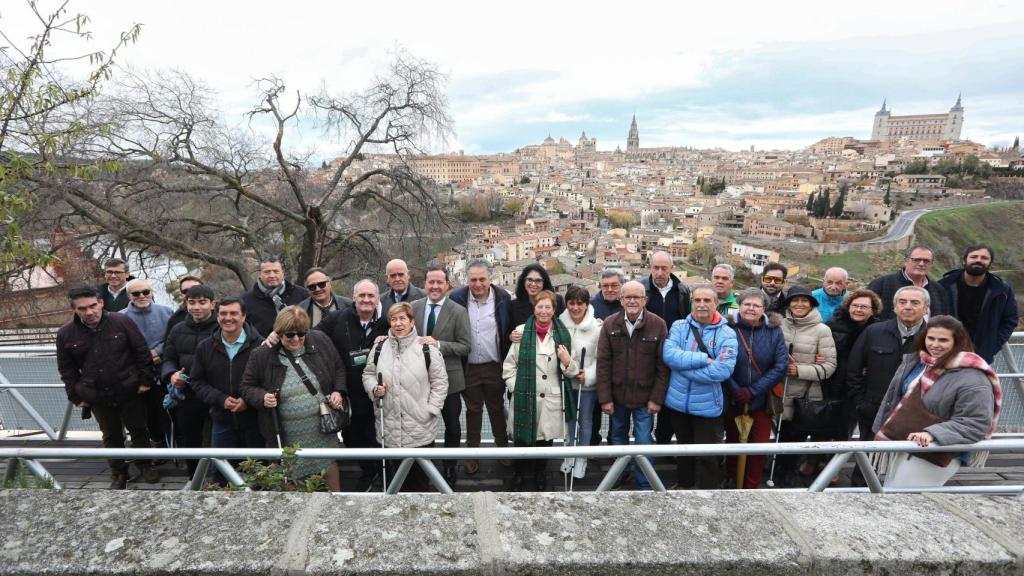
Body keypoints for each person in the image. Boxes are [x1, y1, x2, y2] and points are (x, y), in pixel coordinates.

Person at [873, 316, 1001, 488]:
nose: (935, 344)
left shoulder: (973, 376)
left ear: (958, 342)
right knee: (892, 496)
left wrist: (932, 434)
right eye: (931, 338)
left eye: (943, 340)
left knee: (905, 501)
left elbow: (976, 423)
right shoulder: (919, 362)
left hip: (937, 449)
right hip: (906, 443)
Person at [56, 287, 159, 489]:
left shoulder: (122, 322)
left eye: (93, 305)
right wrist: (76, 396)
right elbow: (66, 369)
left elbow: (141, 352)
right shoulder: (65, 334)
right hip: (96, 395)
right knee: (111, 435)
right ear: (74, 310)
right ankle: (119, 473)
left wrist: (145, 381)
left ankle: (146, 465)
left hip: (129, 389)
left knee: (139, 429)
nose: (89, 312)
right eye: (82, 308)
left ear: (101, 303)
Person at [240, 306, 347, 491]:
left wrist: (338, 390)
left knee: (329, 469)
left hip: (322, 429)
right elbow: (246, 387)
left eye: (301, 333)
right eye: (290, 335)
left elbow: (338, 367)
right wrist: (262, 397)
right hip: (287, 434)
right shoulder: (262, 354)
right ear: (279, 333)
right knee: (294, 481)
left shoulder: (320, 340)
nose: (296, 339)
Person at [363, 302, 448, 492]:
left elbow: (440, 383)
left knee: (420, 481)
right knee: (397, 482)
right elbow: (368, 374)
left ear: (412, 321)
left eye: (403, 318)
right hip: (390, 428)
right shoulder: (379, 348)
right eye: (393, 319)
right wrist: (374, 389)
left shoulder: (427, 350)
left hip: (420, 428)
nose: (398, 323)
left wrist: (430, 410)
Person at [316, 279, 390, 491]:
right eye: (362, 296)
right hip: (348, 391)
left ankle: (380, 475)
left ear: (377, 299)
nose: (366, 300)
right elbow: (312, 336)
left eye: (371, 296)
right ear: (354, 298)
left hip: (377, 392)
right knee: (352, 437)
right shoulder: (337, 319)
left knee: (376, 436)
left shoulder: (386, 322)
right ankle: (368, 472)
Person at [663, 284, 738, 489]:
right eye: (697, 300)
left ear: (716, 304)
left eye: (707, 300)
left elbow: (722, 371)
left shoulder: (727, 334)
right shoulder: (679, 326)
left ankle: (708, 491)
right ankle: (684, 486)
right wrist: (704, 359)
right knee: (683, 450)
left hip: (708, 407)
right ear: (691, 303)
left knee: (707, 455)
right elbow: (669, 355)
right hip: (678, 404)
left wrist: (682, 367)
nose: (702, 305)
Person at [504, 290, 580, 491]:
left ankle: (540, 473)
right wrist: (515, 387)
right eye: (540, 306)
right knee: (521, 440)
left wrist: (566, 361)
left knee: (545, 441)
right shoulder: (521, 331)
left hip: (551, 398)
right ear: (534, 308)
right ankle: (519, 473)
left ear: (554, 310)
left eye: (548, 307)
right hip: (524, 396)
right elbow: (509, 366)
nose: (544, 311)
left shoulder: (562, 334)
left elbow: (572, 371)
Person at [596, 281, 669, 490]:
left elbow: (662, 366)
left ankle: (646, 483)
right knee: (617, 437)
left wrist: (657, 398)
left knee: (644, 441)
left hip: (645, 399)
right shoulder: (610, 324)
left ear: (644, 300)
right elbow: (603, 363)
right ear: (621, 300)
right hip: (617, 397)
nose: (632, 301)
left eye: (637, 297)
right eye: (628, 297)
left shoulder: (658, 324)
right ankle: (619, 476)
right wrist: (605, 399)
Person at [189, 297, 266, 482]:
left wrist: (248, 401)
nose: (228, 318)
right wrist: (220, 399)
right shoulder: (205, 347)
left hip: (255, 421)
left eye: (233, 313)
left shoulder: (261, 345)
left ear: (244, 316)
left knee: (262, 473)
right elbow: (197, 381)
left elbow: (269, 381)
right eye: (223, 313)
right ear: (217, 316)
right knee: (220, 473)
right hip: (222, 419)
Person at [448, 260, 514, 475]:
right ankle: (472, 453)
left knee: (496, 409)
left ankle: (502, 449)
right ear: (467, 281)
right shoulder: (457, 297)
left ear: (490, 279)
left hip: (494, 365)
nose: (477, 284)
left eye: (482, 279)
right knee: (473, 411)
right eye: (473, 280)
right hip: (468, 367)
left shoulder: (504, 298)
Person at [410, 265, 471, 487]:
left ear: (447, 285)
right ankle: (422, 467)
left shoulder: (458, 311)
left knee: (452, 427)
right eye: (431, 282)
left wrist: (438, 344)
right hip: (418, 380)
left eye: (439, 282)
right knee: (421, 425)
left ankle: (449, 466)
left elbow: (465, 347)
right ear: (424, 284)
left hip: (450, 380)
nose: (435, 286)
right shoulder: (413, 308)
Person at [847, 286, 929, 447]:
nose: (907, 306)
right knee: (867, 459)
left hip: (913, 413)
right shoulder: (874, 331)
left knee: (903, 461)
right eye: (902, 302)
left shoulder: (934, 337)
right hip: (872, 409)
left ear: (926, 309)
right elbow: (853, 369)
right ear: (895, 306)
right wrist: (860, 403)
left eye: (915, 302)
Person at [725, 288, 788, 489]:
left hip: (762, 399)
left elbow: (780, 366)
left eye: (756, 305)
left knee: (758, 446)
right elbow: (719, 361)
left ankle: (751, 486)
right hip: (733, 396)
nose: (751, 308)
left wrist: (752, 391)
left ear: (764, 309)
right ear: (739, 306)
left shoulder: (774, 331)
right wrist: (735, 389)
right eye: (747, 304)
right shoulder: (728, 328)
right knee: (733, 442)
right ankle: (732, 480)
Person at [776, 285, 837, 484]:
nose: (799, 304)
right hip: (778, 393)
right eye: (795, 300)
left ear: (811, 305)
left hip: (803, 397)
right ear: (789, 303)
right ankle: (775, 470)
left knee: (794, 440)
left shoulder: (822, 330)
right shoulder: (779, 325)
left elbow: (829, 367)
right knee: (779, 436)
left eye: (805, 301)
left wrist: (800, 370)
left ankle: (788, 475)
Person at [160, 284, 219, 476]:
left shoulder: (223, 327)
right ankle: (194, 478)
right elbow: (168, 358)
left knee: (217, 440)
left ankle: (220, 480)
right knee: (190, 439)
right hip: (188, 395)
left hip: (216, 393)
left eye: (202, 302)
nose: (197, 307)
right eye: (192, 302)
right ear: (185, 304)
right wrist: (171, 374)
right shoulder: (177, 329)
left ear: (212, 304)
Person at [641, 250, 692, 447]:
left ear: (671, 269)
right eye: (656, 268)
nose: (659, 272)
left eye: (664, 268)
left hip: (673, 355)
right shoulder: (642, 289)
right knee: (645, 401)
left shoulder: (682, 291)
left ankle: (663, 443)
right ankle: (643, 445)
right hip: (645, 355)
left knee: (668, 402)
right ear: (650, 268)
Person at [938, 244, 1019, 363]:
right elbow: (932, 316)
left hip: (981, 356)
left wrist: (992, 345)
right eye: (974, 256)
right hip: (946, 353)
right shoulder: (943, 286)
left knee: (976, 382)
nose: (978, 260)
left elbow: (1010, 320)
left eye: (984, 258)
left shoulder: (1002, 290)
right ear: (964, 261)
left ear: (990, 263)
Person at [121, 278, 175, 448]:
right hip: (137, 374)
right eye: (136, 293)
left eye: (146, 292)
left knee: (167, 411)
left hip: (163, 370)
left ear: (151, 292)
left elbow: (173, 338)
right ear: (129, 296)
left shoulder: (166, 311)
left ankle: (172, 445)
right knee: (146, 414)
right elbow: (121, 346)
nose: (142, 296)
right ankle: (156, 444)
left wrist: (157, 352)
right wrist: (146, 356)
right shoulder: (120, 318)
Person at [825, 288, 883, 441]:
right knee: (824, 427)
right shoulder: (833, 324)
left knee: (846, 429)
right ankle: (815, 462)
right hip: (832, 383)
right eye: (855, 305)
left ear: (873, 310)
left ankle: (836, 461)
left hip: (859, 388)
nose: (858, 310)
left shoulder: (879, 331)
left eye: (864, 307)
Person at [558, 285, 602, 479]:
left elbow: (601, 359)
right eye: (571, 303)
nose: (575, 307)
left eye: (579, 303)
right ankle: (569, 454)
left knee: (585, 421)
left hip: (586, 384)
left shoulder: (597, 327)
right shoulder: (559, 323)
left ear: (586, 305)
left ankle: (581, 458)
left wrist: (589, 375)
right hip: (566, 383)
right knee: (569, 421)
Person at [587, 267, 626, 446]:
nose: (610, 289)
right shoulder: (591, 306)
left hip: (621, 367)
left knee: (617, 412)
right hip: (597, 365)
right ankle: (594, 445)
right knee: (593, 409)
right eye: (606, 286)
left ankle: (613, 446)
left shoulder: (628, 305)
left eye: (614, 286)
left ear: (622, 286)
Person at [868, 246, 951, 320]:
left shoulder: (938, 290)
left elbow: (943, 320)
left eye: (926, 261)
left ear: (931, 264)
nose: (921, 264)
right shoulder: (882, 283)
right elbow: (867, 314)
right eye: (916, 260)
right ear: (906, 261)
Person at [240, 255, 309, 338]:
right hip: (262, 348)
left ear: (283, 273)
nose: (272, 275)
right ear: (260, 274)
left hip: (297, 346)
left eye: (276, 271)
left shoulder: (302, 294)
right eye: (267, 272)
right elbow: (243, 329)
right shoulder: (245, 300)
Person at [510, 263, 566, 328]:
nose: (533, 284)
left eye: (538, 280)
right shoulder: (513, 306)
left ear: (544, 283)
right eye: (530, 280)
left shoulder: (557, 301)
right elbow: (508, 331)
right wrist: (511, 336)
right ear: (523, 281)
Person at [162, 275, 204, 342]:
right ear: (182, 294)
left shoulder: (220, 311)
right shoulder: (175, 320)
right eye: (186, 291)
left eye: (195, 288)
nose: (191, 293)